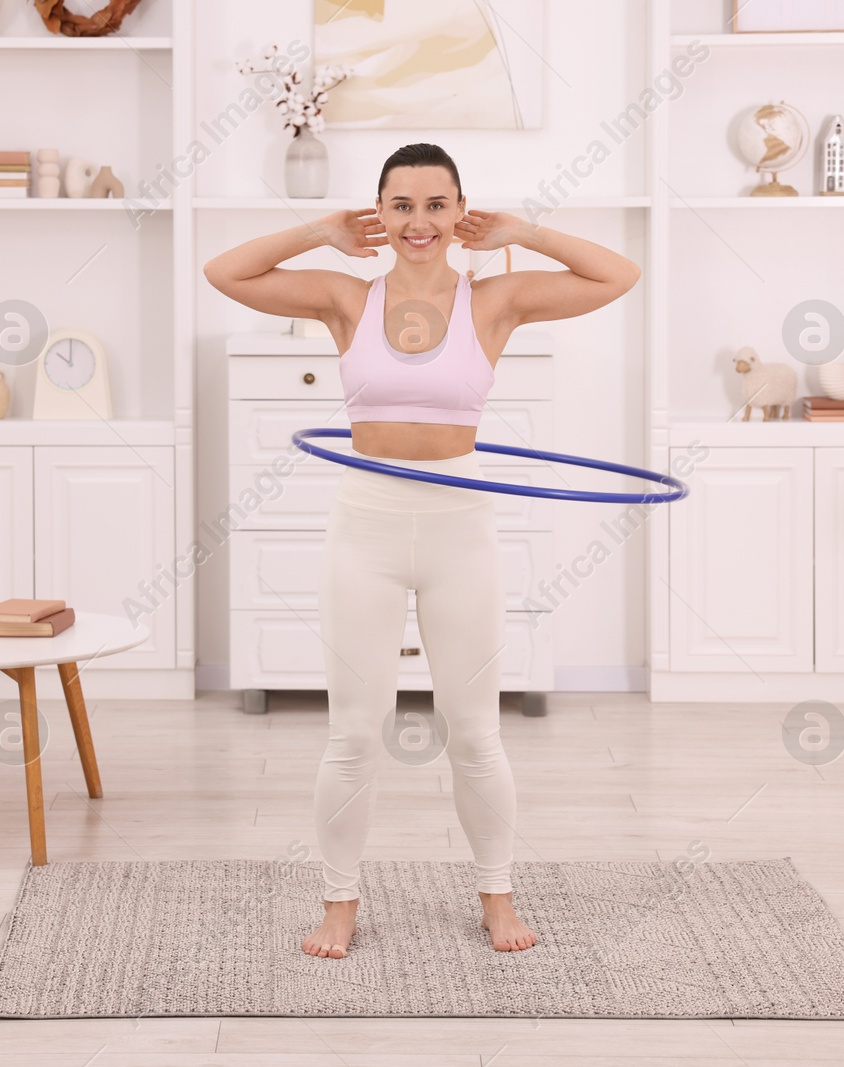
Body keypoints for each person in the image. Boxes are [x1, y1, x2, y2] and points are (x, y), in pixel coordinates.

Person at [203, 143, 641, 957]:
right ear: (378, 213)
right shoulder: (345, 298)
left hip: (458, 526)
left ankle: (497, 896)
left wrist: (524, 230)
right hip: (364, 524)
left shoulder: (494, 300)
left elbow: (618, 276)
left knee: (474, 730)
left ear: (460, 213)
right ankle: (339, 903)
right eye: (400, 205)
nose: (418, 222)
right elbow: (224, 272)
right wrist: (319, 231)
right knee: (353, 731)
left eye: (436, 205)